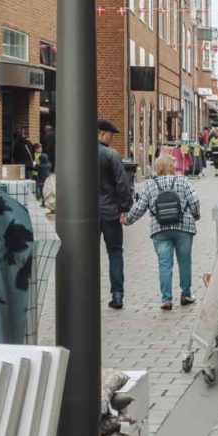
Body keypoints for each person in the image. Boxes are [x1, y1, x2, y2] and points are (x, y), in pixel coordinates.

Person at [123, 154, 201, 310]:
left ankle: (166, 300)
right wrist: (195, 215)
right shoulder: (183, 181)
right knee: (185, 262)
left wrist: (128, 220)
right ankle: (186, 295)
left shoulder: (150, 185)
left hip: (160, 229)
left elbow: (140, 207)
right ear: (171, 166)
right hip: (183, 228)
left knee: (164, 264)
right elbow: (194, 201)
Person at [98, 118, 134, 310]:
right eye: (110, 135)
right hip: (111, 212)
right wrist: (125, 208)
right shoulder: (111, 155)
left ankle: (85, 294)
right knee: (115, 253)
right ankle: (117, 295)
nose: (112, 138)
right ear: (101, 133)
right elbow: (123, 184)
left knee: (86, 255)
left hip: (87, 214)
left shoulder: (80, 152)